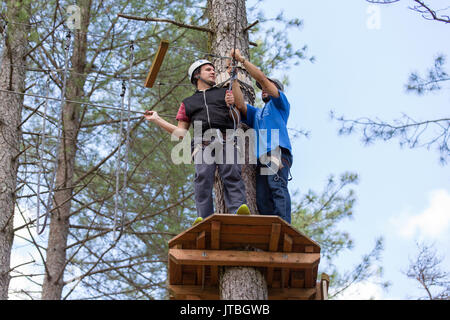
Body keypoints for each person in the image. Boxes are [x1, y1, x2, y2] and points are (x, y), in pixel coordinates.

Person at [144, 59, 249, 225]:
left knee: (232, 173)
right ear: (197, 75)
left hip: (227, 138)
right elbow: (180, 133)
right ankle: (205, 218)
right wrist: (157, 119)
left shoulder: (223, 93)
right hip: (203, 142)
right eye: (208, 70)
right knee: (203, 177)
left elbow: (237, 120)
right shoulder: (188, 103)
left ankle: (238, 211)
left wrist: (231, 106)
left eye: (213, 70)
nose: (213, 72)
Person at [230, 49, 293, 224]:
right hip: (262, 158)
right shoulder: (258, 113)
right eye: (262, 89)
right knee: (263, 199)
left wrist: (241, 60)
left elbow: (262, 79)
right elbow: (241, 105)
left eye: (267, 87)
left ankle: (285, 226)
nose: (263, 89)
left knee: (277, 187)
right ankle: (270, 229)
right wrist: (234, 79)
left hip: (277, 152)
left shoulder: (280, 104)